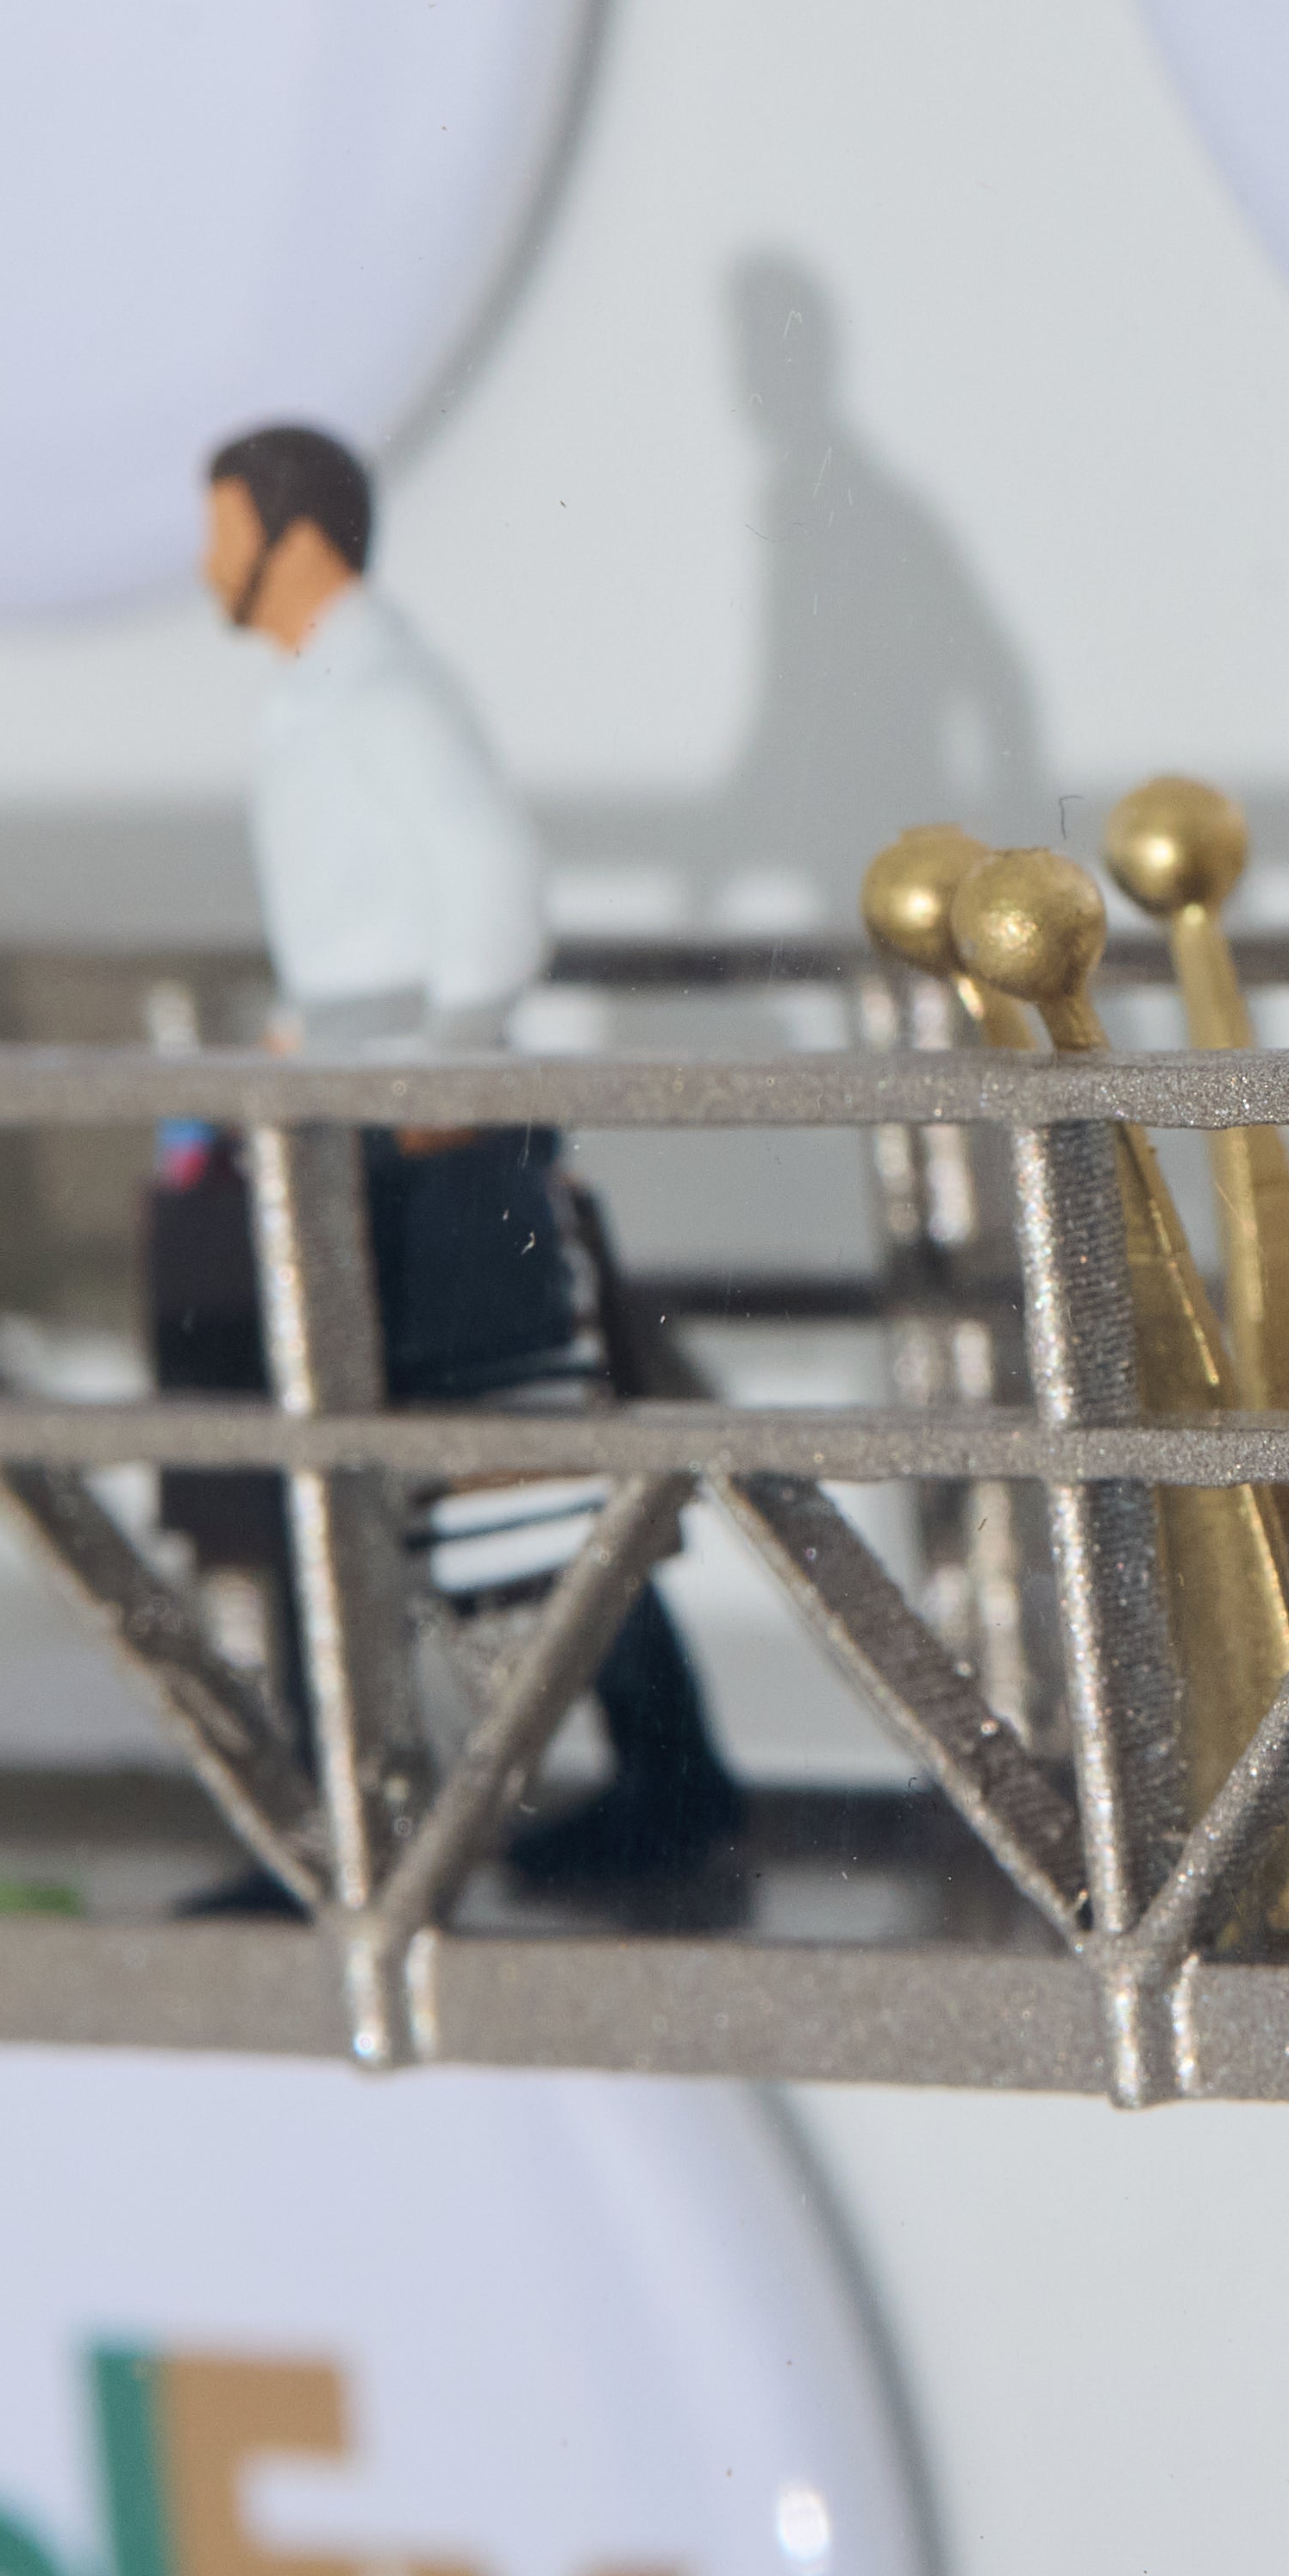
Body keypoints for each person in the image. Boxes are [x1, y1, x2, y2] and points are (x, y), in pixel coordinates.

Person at [164, 422, 744, 1898]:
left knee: (521, 1470)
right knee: (351, 1478)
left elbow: (492, 888)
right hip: (367, 1125)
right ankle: (344, 1821)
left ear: (292, 540)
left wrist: (446, 1062)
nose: (208, 559)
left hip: (438, 1145)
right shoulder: (321, 694)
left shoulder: (384, 691)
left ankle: (672, 1785)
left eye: (225, 528)